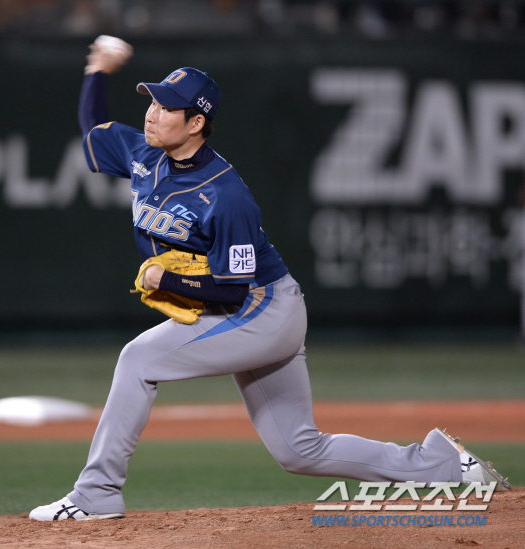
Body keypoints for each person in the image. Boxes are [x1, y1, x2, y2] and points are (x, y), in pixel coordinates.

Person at [29, 38, 510, 521]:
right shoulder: (144, 156)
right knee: (299, 450)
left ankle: (97, 492)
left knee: (138, 360)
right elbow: (94, 130)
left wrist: (168, 280)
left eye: (167, 107)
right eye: (152, 103)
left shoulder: (226, 195)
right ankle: (443, 463)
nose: (152, 114)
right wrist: (97, 70)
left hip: (262, 310)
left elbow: (232, 291)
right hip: (252, 312)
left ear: (195, 124)